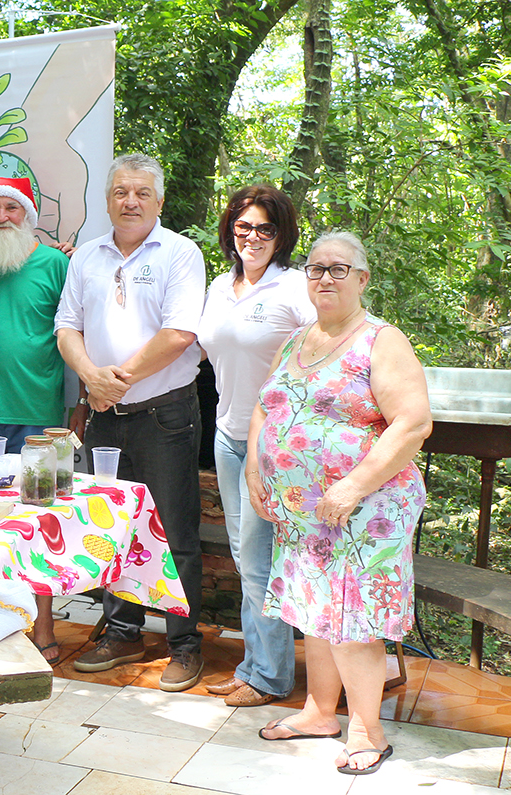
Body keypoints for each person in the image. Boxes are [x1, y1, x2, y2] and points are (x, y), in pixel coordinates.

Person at [246, 231, 430, 775]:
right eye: (316, 268)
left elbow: (414, 422)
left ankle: (367, 732)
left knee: (353, 620)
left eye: (339, 269)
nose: (325, 278)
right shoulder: (297, 340)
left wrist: (353, 486)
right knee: (315, 613)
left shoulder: (381, 340)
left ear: (362, 279)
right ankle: (319, 711)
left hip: (365, 509)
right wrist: (257, 467)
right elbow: (266, 407)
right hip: (304, 512)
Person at [55, 153, 208, 691]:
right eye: (121, 191)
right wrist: (92, 379)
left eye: (142, 192)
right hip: (103, 416)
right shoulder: (87, 258)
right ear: (107, 199)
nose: (131, 201)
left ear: (160, 201)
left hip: (164, 415)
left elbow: (180, 333)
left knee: (174, 529)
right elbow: (66, 328)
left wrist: (111, 379)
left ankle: (185, 644)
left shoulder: (181, 253)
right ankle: (123, 633)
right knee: (116, 527)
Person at [197, 186, 316, 708]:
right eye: (244, 227)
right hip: (227, 436)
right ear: (230, 230)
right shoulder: (219, 287)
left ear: (282, 236)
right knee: (247, 559)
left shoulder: (295, 288)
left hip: (275, 445)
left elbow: (327, 352)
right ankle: (254, 666)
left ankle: (270, 675)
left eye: (265, 229)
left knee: (259, 560)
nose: (253, 237)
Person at [0, 176, 71, 454]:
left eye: (11, 208)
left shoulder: (56, 263)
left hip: (37, 410)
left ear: (27, 215)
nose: (1, 216)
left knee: (34, 493)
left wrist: (83, 401)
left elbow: (78, 332)